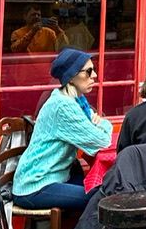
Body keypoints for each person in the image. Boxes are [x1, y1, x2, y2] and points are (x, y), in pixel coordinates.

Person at [12, 48, 113, 212]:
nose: (94, 75)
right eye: (88, 71)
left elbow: (95, 132)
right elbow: (101, 142)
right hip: (34, 186)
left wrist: (99, 123)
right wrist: (104, 124)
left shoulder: (75, 100)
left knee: (97, 187)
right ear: (71, 77)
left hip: (56, 176)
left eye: (94, 70)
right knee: (99, 198)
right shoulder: (64, 106)